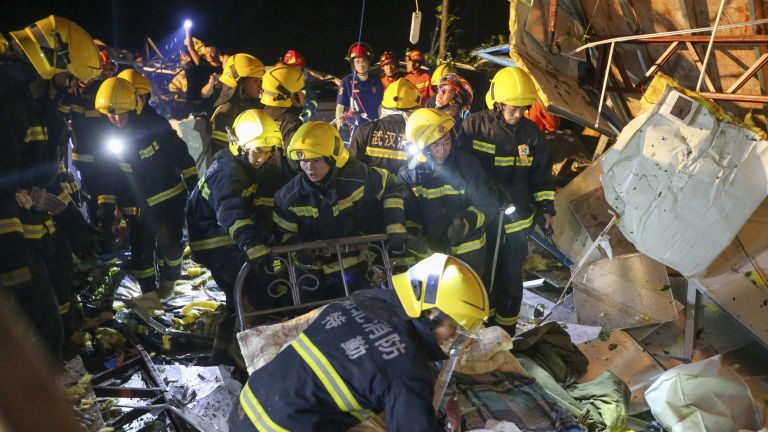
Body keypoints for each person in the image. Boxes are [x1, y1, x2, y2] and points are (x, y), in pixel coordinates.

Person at [229, 252, 490, 431]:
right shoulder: (408, 369)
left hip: (244, 409)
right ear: (430, 312)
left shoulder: (355, 304)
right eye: (454, 326)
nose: (455, 337)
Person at [1, 15, 102, 360]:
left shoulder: (43, 114)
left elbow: (45, 183)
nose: (71, 86)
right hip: (10, 243)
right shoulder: (7, 110)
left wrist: (74, 226)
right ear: (48, 64)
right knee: (40, 332)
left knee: (54, 317)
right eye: (69, 76)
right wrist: (13, 255)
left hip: (33, 235)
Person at [186, 109, 292, 363]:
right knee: (251, 293)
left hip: (221, 239)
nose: (261, 158)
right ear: (239, 146)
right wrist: (252, 245)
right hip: (217, 242)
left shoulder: (240, 165)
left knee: (236, 299)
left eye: (267, 152)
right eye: (257, 151)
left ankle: (221, 354)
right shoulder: (229, 171)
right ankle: (254, 356)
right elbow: (230, 212)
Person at [459, 67, 555, 336]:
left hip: (517, 220)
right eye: (514, 108)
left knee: (511, 278)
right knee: (481, 274)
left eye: (524, 108)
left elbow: (541, 175)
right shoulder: (474, 126)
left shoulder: (531, 134)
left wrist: (546, 208)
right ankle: (483, 329)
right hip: (482, 216)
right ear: (498, 102)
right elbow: (461, 167)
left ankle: (506, 335)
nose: (519, 114)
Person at [273, 121, 407, 298]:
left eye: (316, 160)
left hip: (357, 271)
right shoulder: (288, 197)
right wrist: (297, 249)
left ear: (332, 158)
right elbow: (283, 234)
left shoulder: (357, 177)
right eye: (304, 161)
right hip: (312, 280)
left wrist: (395, 226)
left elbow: (392, 184)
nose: (310, 168)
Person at [95, 77, 198, 302]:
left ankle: (168, 281)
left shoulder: (155, 126)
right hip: (136, 207)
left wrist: (194, 188)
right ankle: (149, 295)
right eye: (110, 114)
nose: (115, 118)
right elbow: (108, 175)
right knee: (141, 251)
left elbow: (180, 155)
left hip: (168, 200)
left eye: (120, 112)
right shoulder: (107, 136)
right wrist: (106, 205)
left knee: (170, 246)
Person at [399, 108, 499, 276]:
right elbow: (409, 215)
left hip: (468, 256)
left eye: (446, 141)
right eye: (435, 145)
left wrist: (468, 220)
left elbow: (489, 202)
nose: (443, 150)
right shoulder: (409, 175)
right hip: (427, 260)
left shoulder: (467, 164)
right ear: (419, 147)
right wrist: (414, 237)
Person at [348, 78, 420, 174]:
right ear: (416, 107)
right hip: (405, 188)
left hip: (371, 188)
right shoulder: (418, 133)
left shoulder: (365, 131)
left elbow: (351, 169)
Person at [210, 53, 266, 155]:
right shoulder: (226, 112)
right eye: (255, 81)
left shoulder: (254, 106)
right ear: (241, 82)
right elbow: (220, 154)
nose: (260, 86)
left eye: (260, 81)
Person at [260, 65, 305, 171]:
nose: (303, 95)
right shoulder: (292, 124)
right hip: (285, 185)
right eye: (300, 91)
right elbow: (297, 166)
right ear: (290, 95)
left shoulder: (259, 116)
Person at [335, 42, 383, 132]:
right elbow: (340, 108)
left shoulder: (376, 81)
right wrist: (340, 130)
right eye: (357, 62)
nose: (361, 65)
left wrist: (381, 126)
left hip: (373, 127)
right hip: (353, 129)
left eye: (364, 61)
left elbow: (380, 106)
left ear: (369, 62)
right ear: (353, 64)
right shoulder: (346, 82)